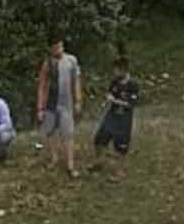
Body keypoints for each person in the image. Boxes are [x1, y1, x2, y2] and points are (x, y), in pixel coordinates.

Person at [35, 37, 83, 178]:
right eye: (55, 47)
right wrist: (40, 107)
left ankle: (70, 165)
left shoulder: (71, 61)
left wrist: (78, 100)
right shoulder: (47, 63)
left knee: (68, 133)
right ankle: (54, 157)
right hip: (50, 103)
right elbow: (42, 86)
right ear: (51, 49)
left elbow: (76, 81)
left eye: (60, 46)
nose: (58, 49)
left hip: (66, 103)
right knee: (50, 131)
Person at [91, 53, 140, 182]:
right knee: (99, 138)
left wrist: (115, 101)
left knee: (121, 146)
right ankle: (99, 162)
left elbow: (131, 104)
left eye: (117, 70)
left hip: (123, 118)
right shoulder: (115, 82)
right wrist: (109, 98)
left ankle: (120, 172)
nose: (114, 72)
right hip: (111, 115)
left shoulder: (133, 85)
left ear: (124, 70)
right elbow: (110, 93)